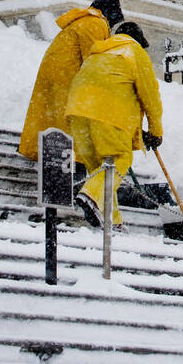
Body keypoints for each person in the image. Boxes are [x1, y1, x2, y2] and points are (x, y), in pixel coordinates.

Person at [65, 19, 163, 228]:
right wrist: (156, 132)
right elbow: (151, 98)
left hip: (77, 112)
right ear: (138, 39)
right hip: (107, 112)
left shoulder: (99, 52)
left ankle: (113, 221)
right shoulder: (134, 52)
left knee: (102, 170)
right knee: (120, 158)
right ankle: (91, 196)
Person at [17, 0, 123, 160]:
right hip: (68, 75)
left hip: (56, 72)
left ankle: (44, 151)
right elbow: (93, 60)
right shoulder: (95, 23)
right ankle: (73, 160)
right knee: (73, 120)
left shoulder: (83, 20)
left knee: (51, 116)